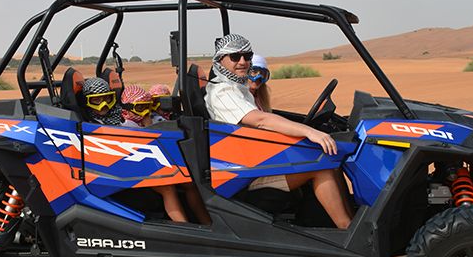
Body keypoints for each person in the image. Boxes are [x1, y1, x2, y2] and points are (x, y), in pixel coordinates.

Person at [205, 34, 353, 229]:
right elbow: (260, 120)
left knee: (331, 159)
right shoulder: (223, 92)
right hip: (246, 174)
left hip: (258, 161)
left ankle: (348, 221)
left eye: (247, 56)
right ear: (220, 60)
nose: (242, 62)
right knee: (322, 167)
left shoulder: (238, 89)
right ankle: (347, 230)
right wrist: (310, 132)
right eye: (235, 57)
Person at [121, 84, 211, 225]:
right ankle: (185, 227)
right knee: (168, 188)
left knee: (189, 183)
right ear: (127, 109)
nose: (145, 112)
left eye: (147, 107)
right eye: (140, 108)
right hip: (138, 169)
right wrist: (148, 125)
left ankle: (207, 224)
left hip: (160, 165)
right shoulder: (125, 128)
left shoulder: (155, 120)